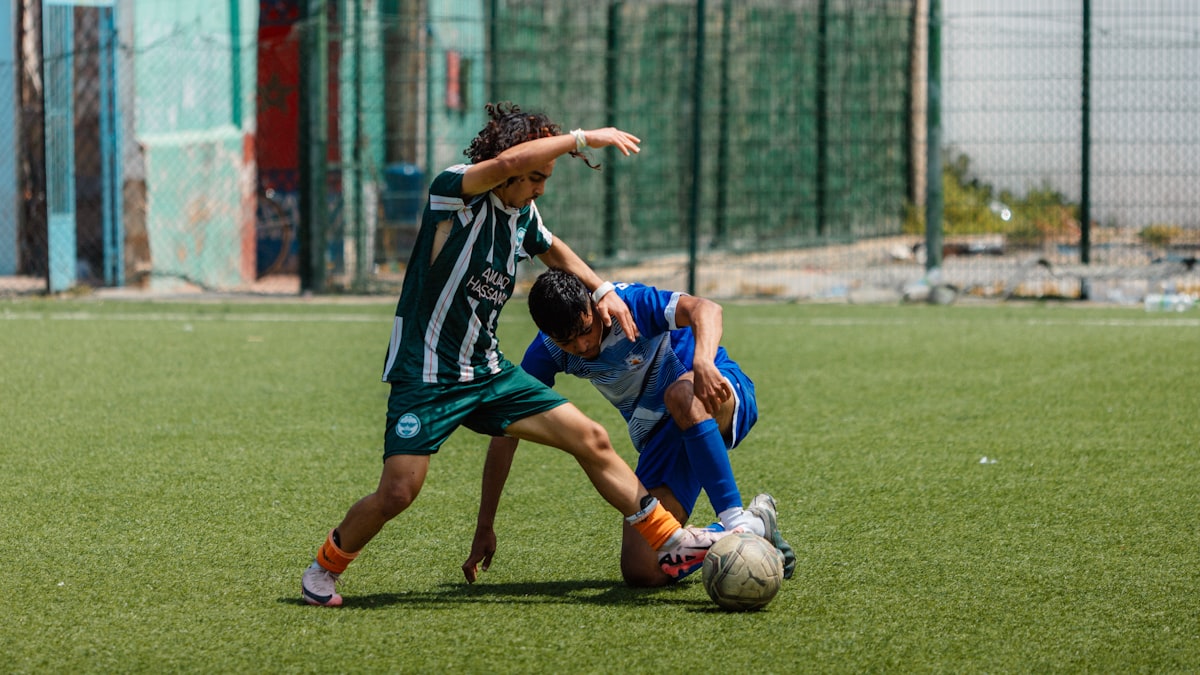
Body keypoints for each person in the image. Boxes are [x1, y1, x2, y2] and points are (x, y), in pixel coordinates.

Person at [300, 102, 731, 607]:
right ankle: (323, 569)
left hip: (487, 374)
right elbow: (505, 167)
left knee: (590, 438)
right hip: (427, 376)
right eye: (535, 177)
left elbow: (555, 250)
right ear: (511, 163)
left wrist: (602, 289)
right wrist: (583, 138)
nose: (540, 187)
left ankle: (671, 539)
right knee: (398, 492)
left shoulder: (521, 215)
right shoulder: (453, 193)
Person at [463, 268, 796, 587]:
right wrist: (485, 524)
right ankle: (755, 527)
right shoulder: (546, 351)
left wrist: (703, 362)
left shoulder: (626, 304)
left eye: (585, 331)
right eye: (567, 342)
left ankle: (736, 522)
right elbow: (505, 435)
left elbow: (706, 309)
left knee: (681, 394)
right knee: (643, 569)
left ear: (593, 306)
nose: (581, 346)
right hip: (661, 439)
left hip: (714, 391)